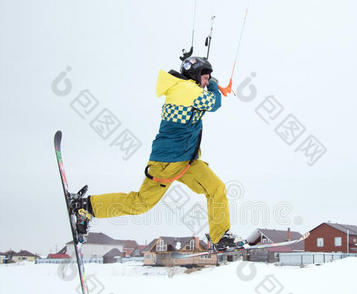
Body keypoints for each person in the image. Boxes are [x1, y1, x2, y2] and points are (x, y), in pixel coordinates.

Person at [71, 56, 241, 250]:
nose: (207, 81)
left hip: (187, 161)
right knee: (141, 203)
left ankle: (220, 237)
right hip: (167, 162)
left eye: (209, 78)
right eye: (205, 77)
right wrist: (214, 85)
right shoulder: (185, 90)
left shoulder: (184, 87)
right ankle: (86, 207)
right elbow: (214, 103)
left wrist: (208, 80)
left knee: (216, 188)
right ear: (195, 76)